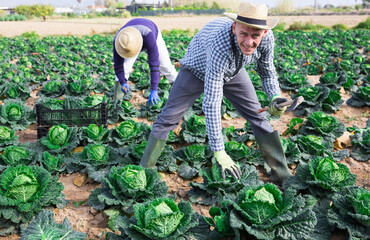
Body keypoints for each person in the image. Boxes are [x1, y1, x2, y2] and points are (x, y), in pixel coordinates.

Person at [140, 2, 292, 184]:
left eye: (255, 35)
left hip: (233, 71)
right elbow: (212, 102)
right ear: (235, 27)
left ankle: (282, 175)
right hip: (195, 70)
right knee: (168, 118)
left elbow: (267, 71)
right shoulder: (220, 44)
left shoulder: (267, 39)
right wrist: (219, 151)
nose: (249, 41)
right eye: (243, 33)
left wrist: (275, 96)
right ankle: (144, 171)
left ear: (264, 33)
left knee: (257, 114)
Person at [113, 18, 178, 105]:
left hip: (149, 33)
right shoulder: (120, 41)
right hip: (129, 40)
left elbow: (154, 64)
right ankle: (116, 104)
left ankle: (181, 96)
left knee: (166, 67)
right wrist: (123, 82)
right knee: (124, 68)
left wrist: (154, 89)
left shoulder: (149, 36)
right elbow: (118, 66)